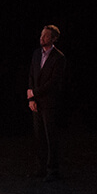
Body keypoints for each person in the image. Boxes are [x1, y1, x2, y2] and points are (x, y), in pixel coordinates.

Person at [27, 25, 69, 181]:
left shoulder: (59, 58)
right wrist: (31, 97)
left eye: (45, 36)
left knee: (51, 137)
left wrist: (35, 93)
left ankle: (53, 170)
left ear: (53, 39)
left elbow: (53, 82)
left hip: (49, 103)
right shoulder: (37, 54)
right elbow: (31, 75)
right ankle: (41, 168)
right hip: (36, 102)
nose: (42, 38)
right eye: (41, 35)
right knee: (39, 137)